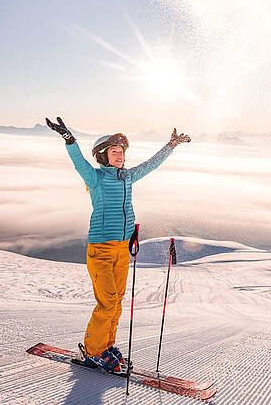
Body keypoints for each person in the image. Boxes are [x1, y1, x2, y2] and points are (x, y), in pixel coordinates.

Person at [46, 117, 190, 372]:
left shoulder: (128, 177)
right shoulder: (96, 178)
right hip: (100, 248)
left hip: (123, 248)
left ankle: (106, 345)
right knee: (108, 301)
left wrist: (171, 146)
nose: (120, 156)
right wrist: (70, 140)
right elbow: (80, 164)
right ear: (103, 156)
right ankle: (93, 351)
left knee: (118, 300)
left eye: (122, 152)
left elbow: (151, 165)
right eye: (114, 152)